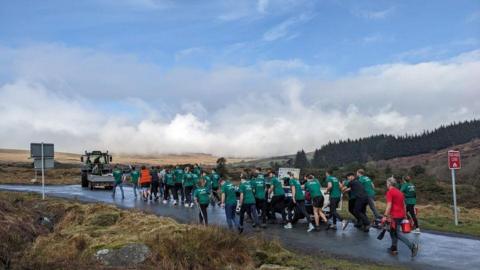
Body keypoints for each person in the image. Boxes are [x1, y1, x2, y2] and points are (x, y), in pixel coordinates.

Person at [383, 177, 419, 257]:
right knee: (393, 231)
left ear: (389, 183)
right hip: (401, 215)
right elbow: (404, 204)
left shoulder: (390, 192)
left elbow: (389, 205)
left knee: (396, 233)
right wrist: (405, 215)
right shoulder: (399, 192)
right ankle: (394, 249)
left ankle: (412, 246)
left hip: (395, 216)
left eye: (387, 183)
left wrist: (385, 216)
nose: (386, 184)